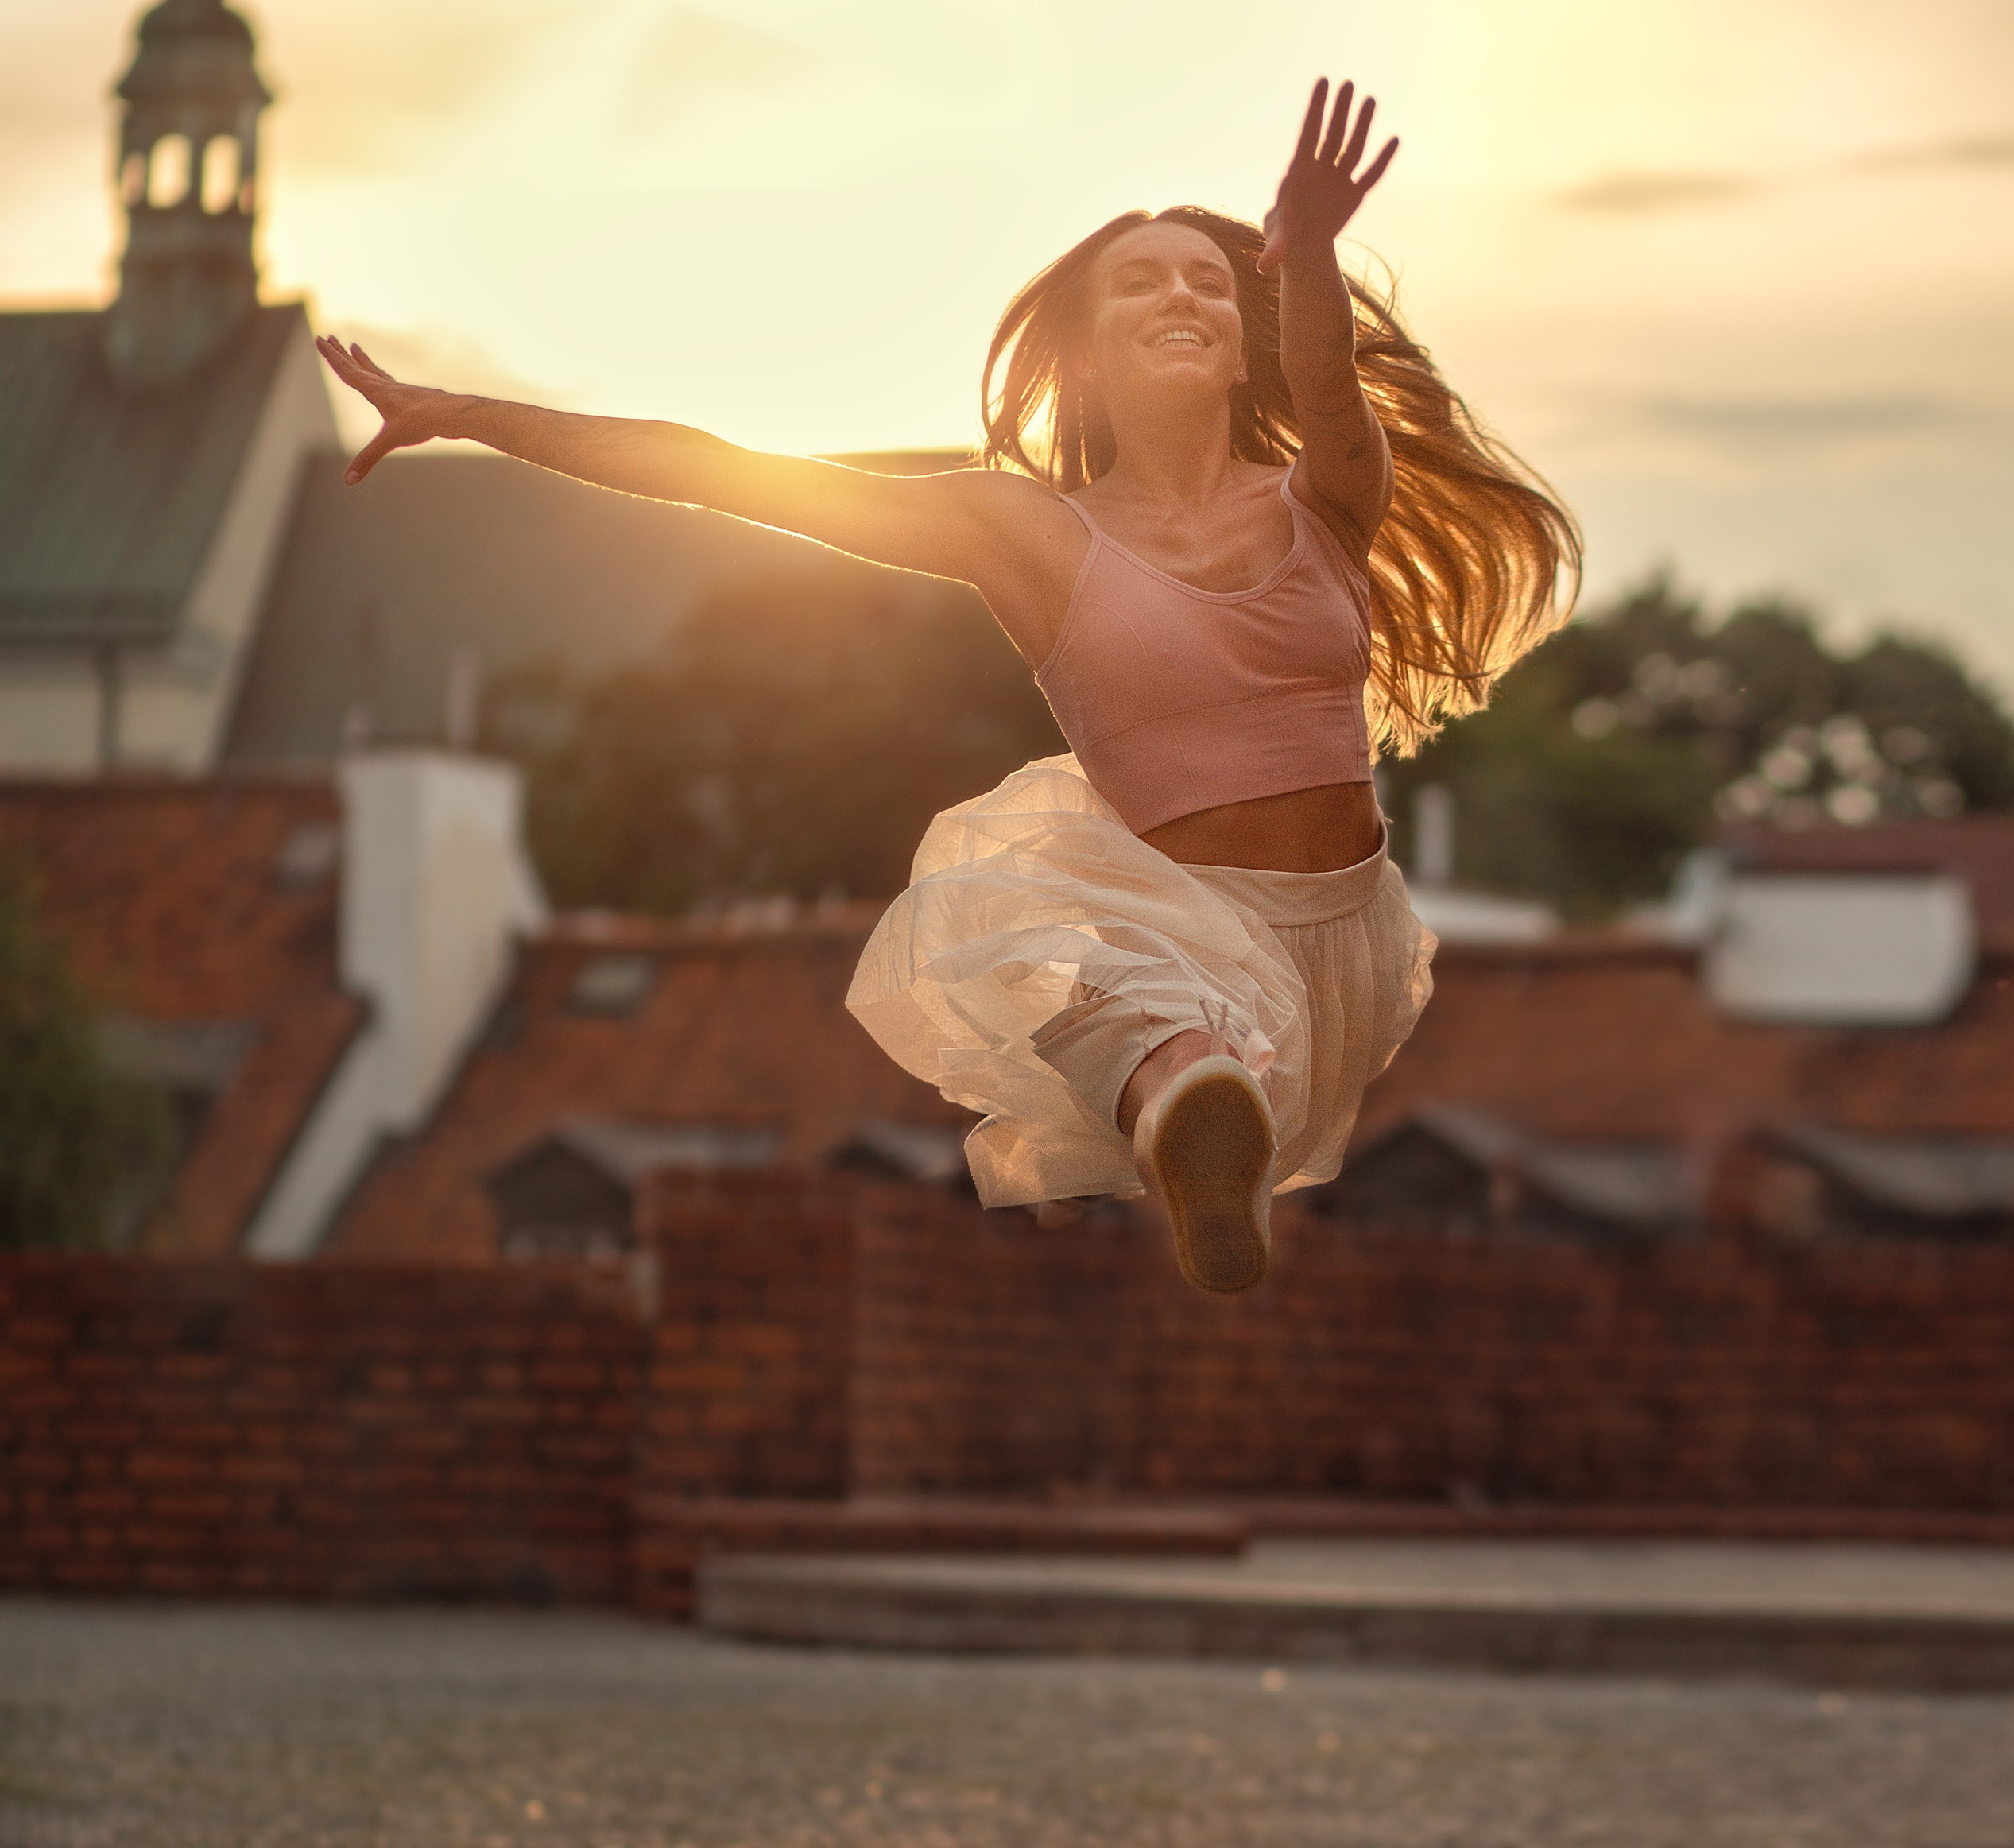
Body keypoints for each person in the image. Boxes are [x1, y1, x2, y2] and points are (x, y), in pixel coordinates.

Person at [316, 80, 1577, 1296]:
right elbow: (725, 473)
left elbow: (1335, 398)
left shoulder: (1327, 499)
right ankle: (1190, 1125)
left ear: (1250, 340)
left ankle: (1212, 1136)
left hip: (1340, 937)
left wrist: (1302, 256)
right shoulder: (1024, 533)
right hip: (1175, 914)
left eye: (1210, 280)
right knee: (1114, 982)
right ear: (1085, 352)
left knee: (1191, 1032)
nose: (1183, 293)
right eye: (1141, 279)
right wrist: (465, 411)